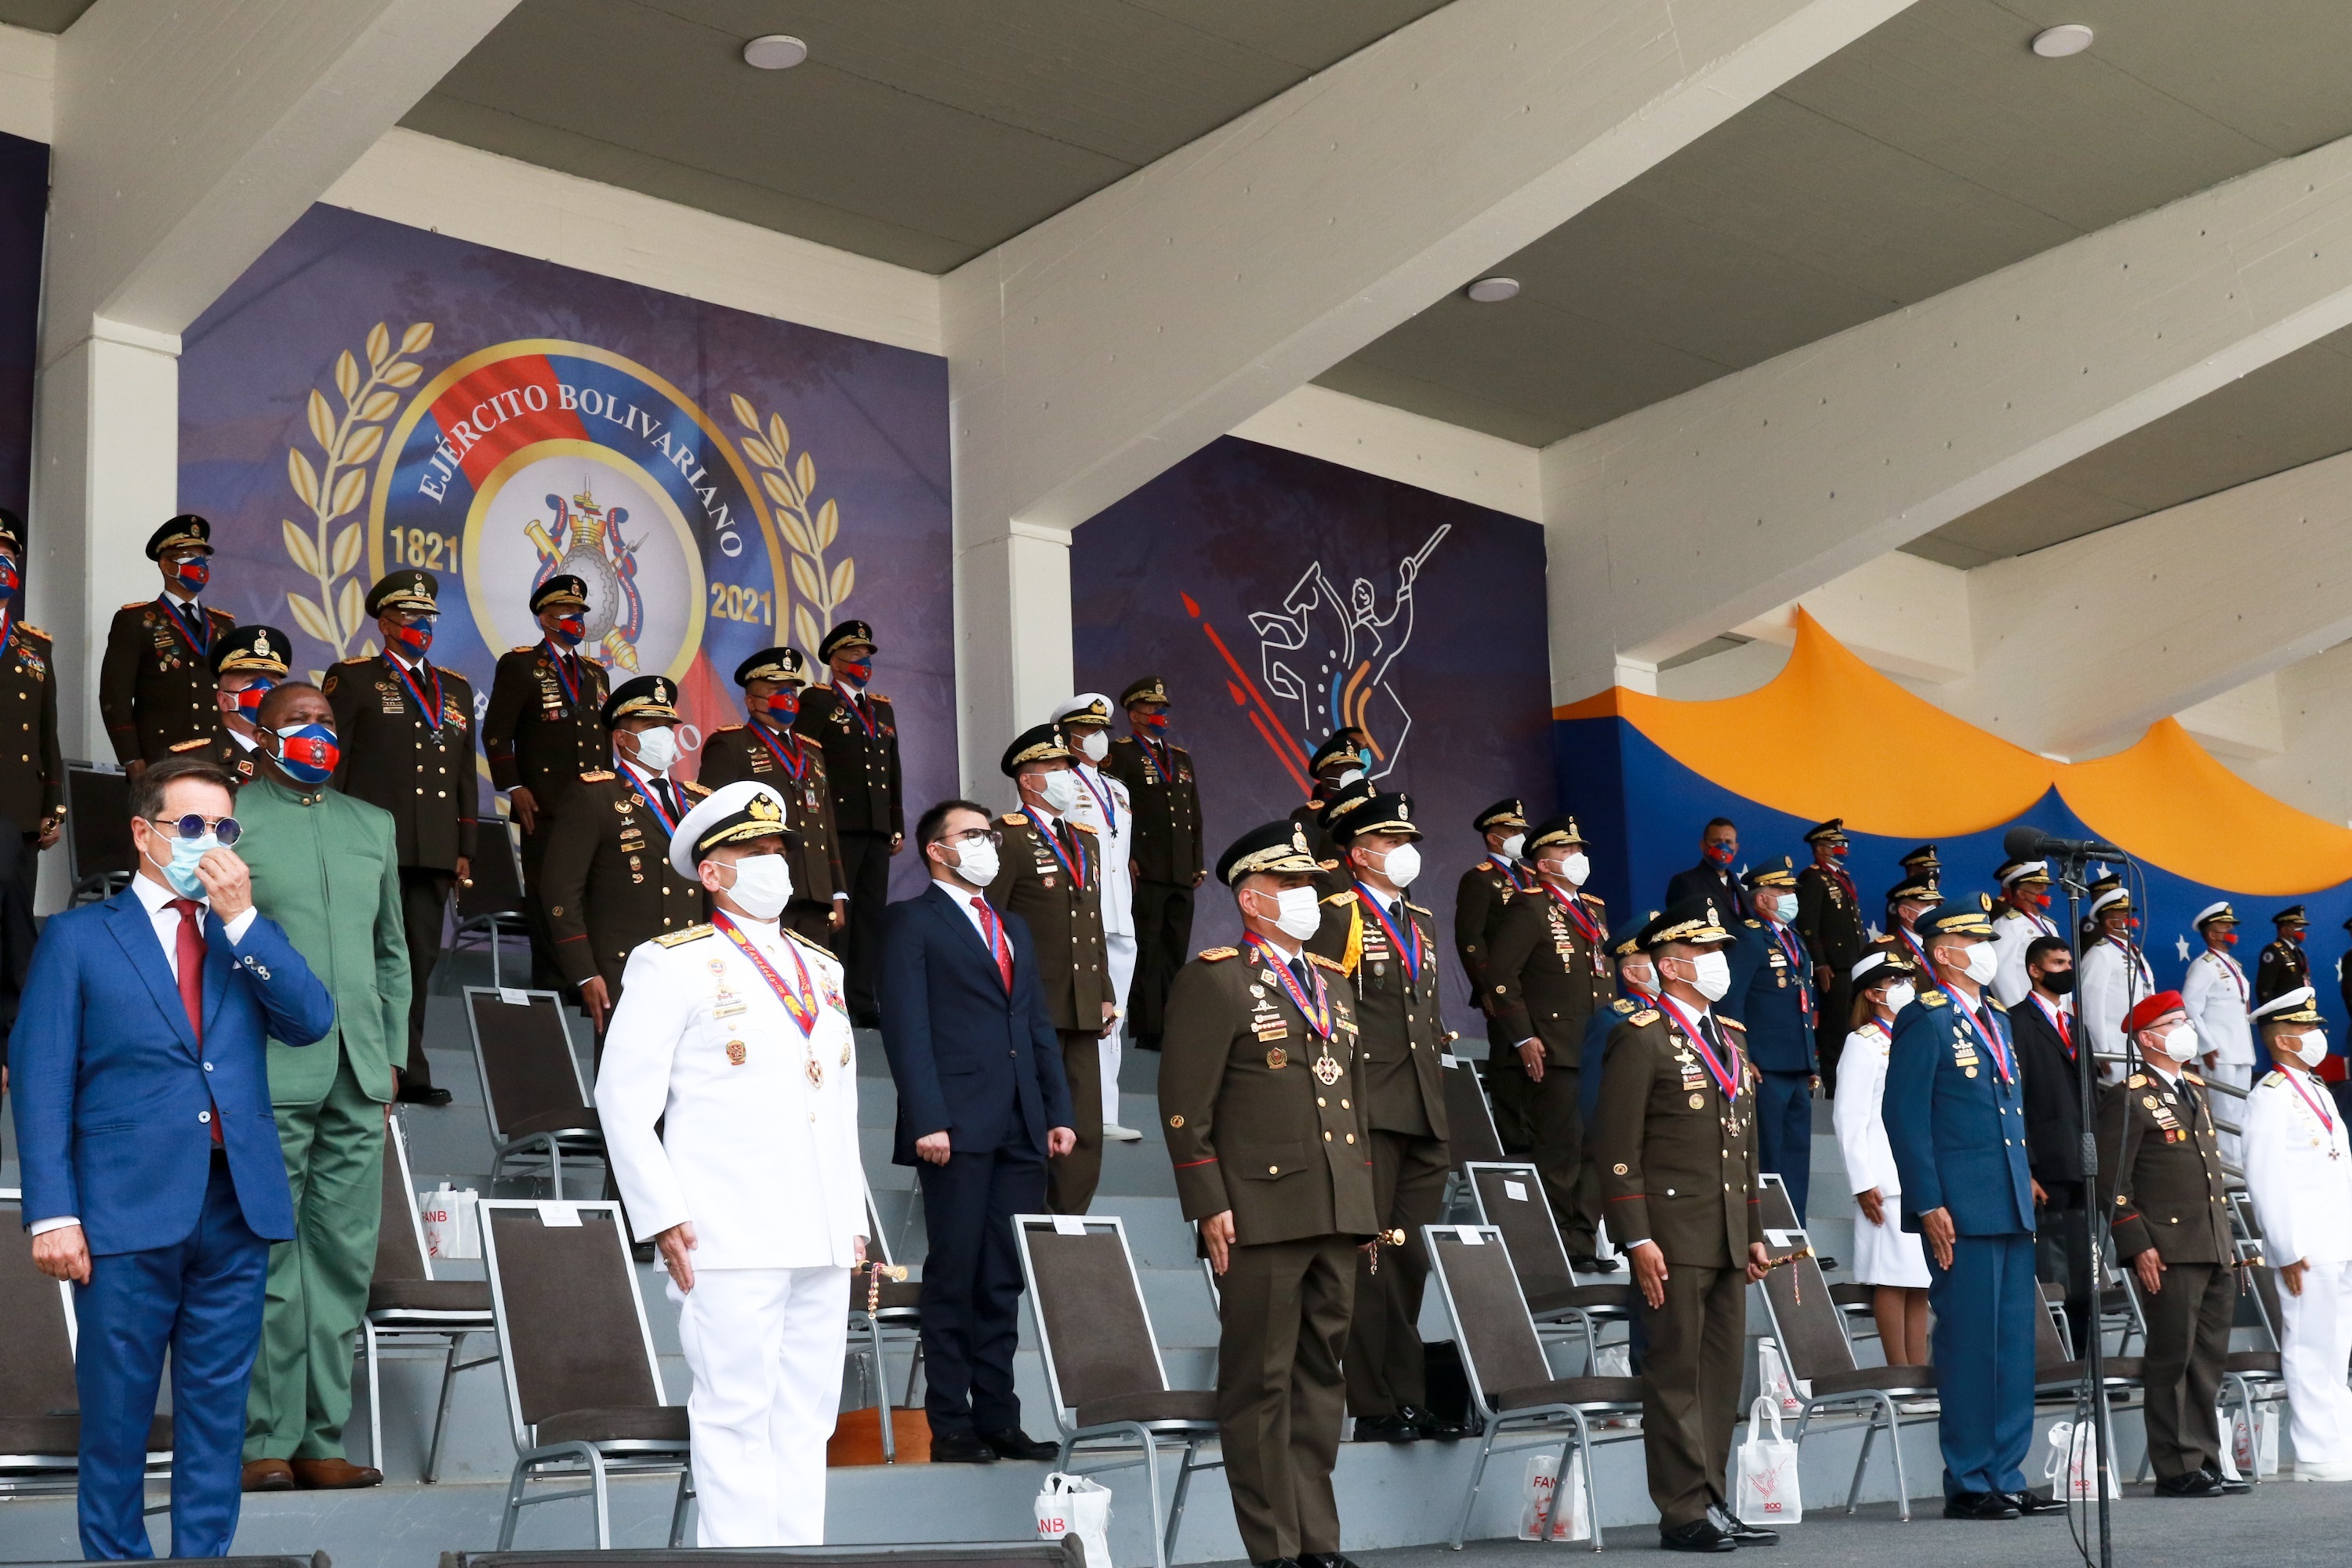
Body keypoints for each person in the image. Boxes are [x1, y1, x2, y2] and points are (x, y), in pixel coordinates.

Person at [11, 757, 334, 1558]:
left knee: (218, 1415)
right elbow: (42, 1079)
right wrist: (52, 1211)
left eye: (224, 828)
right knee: (117, 1415)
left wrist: (243, 920)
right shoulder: (79, 936)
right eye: (191, 827)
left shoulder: (245, 932)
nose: (210, 843)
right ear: (143, 833)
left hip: (235, 1204)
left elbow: (311, 1019)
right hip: (123, 1209)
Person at [596, 781, 868, 1544]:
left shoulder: (822, 968)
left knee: (808, 1416)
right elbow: (622, 1098)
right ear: (711, 872)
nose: (773, 864)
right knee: (736, 1412)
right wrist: (661, 1213)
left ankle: (799, 1554)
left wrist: (851, 1219)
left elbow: (837, 1106)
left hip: (817, 1228)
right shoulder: (671, 962)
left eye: (779, 849)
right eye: (753, 852)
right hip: (726, 1225)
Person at [1160, 820, 1375, 1568]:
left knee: (1321, 1382)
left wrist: (1362, 1204)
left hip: (1335, 1207)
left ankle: (1319, 1541)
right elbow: (1188, 1105)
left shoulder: (1335, 983)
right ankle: (1275, 1549)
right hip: (1258, 1208)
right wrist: (1206, 1202)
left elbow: (1349, 1102)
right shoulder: (1216, 977)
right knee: (1260, 1382)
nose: (1309, 897)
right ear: (1253, 899)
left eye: (1311, 884)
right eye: (1291, 886)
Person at [235, 683, 408, 1492]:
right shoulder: (231, 818)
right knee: (270, 1254)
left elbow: (393, 954)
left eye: (328, 721)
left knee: (342, 1258)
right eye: (300, 721)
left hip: (360, 1070)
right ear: (261, 734)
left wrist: (394, 1053)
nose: (317, 732)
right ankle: (261, 1438)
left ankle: (319, 1438)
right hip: (268, 1066)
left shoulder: (372, 824)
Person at [878, 798, 1076, 1465]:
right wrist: (927, 1117)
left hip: (1021, 1123)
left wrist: (1058, 1113)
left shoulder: (1011, 923)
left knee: (1003, 1277)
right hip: (956, 1127)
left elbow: (1036, 1026)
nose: (988, 843)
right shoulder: (912, 921)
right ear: (937, 849)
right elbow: (908, 1029)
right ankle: (951, 1422)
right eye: (972, 834)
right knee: (956, 1272)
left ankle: (1000, 1417)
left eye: (990, 833)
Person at [1591, 897, 1773, 1553]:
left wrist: (1753, 1228)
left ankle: (1715, 1499)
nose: (1719, 963)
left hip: (1724, 1232)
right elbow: (1616, 1145)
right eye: (1705, 953)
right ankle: (1682, 1509)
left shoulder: (1730, 1037)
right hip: (1670, 1234)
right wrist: (1635, 1237)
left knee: (1720, 1376)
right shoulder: (1640, 1036)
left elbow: (1744, 1147)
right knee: (1674, 1375)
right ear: (1670, 965)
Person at [1884, 895, 2055, 1522]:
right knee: (1970, 1344)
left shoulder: (1998, 1018)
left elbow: (2007, 1116)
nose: (1988, 950)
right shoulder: (1924, 1018)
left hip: (2007, 1200)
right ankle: (1968, 1477)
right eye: (1975, 941)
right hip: (1960, 1206)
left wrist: (2025, 1180)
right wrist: (1928, 1201)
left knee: (2012, 1345)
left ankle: (2006, 1471)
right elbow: (1904, 1118)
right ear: (1944, 952)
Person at [1306, 790, 1460, 1442]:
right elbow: (1323, 1016)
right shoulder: (1336, 913)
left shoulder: (1418, 919)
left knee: (1409, 1261)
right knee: (1369, 1261)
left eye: (1408, 843)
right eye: (1392, 843)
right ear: (1358, 851)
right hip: (1370, 1108)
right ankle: (1372, 1403)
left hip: (1424, 1108)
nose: (1405, 854)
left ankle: (1408, 1395)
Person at [323, 570, 480, 1105]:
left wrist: (465, 848)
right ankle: (357, 1063)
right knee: (364, 956)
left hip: (432, 850)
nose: (423, 625)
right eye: (412, 617)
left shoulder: (455, 688)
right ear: (385, 623)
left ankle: (409, 1070)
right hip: (367, 846)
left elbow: (463, 775)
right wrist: (328, 830)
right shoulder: (355, 679)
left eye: (428, 616)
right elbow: (335, 765)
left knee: (417, 960)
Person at [2100, 990, 2241, 1497]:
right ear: (2148, 1037)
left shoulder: (2194, 1089)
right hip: (2168, 1247)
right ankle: (2177, 1466)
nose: (2186, 1029)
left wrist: (2226, 1242)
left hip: (2211, 1242)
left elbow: (2207, 1176)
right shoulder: (2129, 1096)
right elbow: (2113, 1182)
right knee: (2172, 1357)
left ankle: (2206, 1458)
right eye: (2175, 1022)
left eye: (2185, 1019)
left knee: (2208, 1361)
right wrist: (2138, 1243)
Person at [986, 723, 1113, 1214]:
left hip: (1082, 1003)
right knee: (1033, 1114)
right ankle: (1026, 1216)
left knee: (1083, 1121)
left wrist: (1103, 991)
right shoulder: (1007, 838)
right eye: (1058, 769)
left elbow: (1092, 923)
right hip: (1031, 1003)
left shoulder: (1086, 840)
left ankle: (1071, 1220)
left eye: (1069, 768)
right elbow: (990, 924)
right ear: (1029, 780)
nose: (1069, 777)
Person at [539, 677, 710, 1034]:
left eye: (667, 726)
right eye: (650, 726)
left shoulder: (697, 802)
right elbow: (560, 892)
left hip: (693, 967)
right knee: (626, 1083)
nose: (663, 735)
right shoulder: (593, 796)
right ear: (621, 738)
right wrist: (585, 972)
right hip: (624, 969)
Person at [1485, 815, 1613, 1265]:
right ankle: (1552, 1254)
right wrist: (1523, 1037)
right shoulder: (1530, 906)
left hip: (1598, 1050)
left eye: (1580, 850)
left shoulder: (1593, 908)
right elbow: (1501, 978)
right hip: (1555, 1049)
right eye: (1566, 851)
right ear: (1542, 863)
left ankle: (1580, 1246)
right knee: (1559, 1158)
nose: (1578, 858)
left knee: (1594, 1157)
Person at [2241, 988, 2352, 1483]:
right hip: (2304, 1245)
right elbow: (2265, 1178)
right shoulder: (2269, 1096)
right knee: (2308, 1346)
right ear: (2283, 1039)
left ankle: (2339, 1441)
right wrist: (2285, 1248)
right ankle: (2313, 1452)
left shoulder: (2319, 1089)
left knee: (2337, 1347)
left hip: (2339, 1238)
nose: (2317, 1037)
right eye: (2308, 1030)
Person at [481, 574, 610, 989]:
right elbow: (498, 733)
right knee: (550, 895)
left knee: (592, 894)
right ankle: (553, 985)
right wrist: (514, 786)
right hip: (546, 804)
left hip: (592, 804)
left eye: (580, 613)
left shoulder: (596, 673)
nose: (577, 621)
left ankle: (590, 981)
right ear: (545, 619)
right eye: (568, 614)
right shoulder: (520, 665)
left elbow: (603, 741)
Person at [698, 647, 847, 949]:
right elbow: (712, 825)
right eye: (777, 691)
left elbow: (826, 825)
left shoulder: (813, 751)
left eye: (792, 690)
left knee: (813, 981)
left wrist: (837, 891)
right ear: (752, 702)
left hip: (815, 892)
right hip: (757, 888)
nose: (788, 698)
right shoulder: (731, 745)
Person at [793, 620, 901, 1025]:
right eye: (854, 656)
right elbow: (805, 763)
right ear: (834, 661)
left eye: (866, 656)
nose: (863, 663)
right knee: (839, 916)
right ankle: (832, 996)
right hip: (836, 826)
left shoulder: (882, 707)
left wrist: (896, 821)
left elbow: (893, 768)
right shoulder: (818, 702)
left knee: (871, 916)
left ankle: (863, 999)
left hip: (875, 827)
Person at [1831, 950, 1929, 1367]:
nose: (1906, 988)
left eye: (1909, 979)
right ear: (1873, 993)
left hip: (1917, 1176)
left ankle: (1919, 1370)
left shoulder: (1914, 1037)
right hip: (1884, 1180)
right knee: (1891, 1279)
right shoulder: (1864, 1042)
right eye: (1895, 982)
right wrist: (1862, 1181)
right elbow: (1848, 1116)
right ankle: (1899, 1371)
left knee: (1921, 1281)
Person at [1054, 693, 1141, 1142]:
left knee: (1114, 1016)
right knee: (1080, 1012)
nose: (1098, 738)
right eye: (1089, 731)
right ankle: (1076, 1109)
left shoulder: (1119, 790)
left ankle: (1107, 1111)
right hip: (1081, 913)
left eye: (1100, 729)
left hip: (1119, 914)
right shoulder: (1060, 784)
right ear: (1070, 737)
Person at [1104, 675, 1203, 1051]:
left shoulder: (1180, 757)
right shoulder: (1122, 753)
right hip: (1144, 866)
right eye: (1151, 707)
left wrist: (1196, 862)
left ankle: (1173, 1023)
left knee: (1176, 947)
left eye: (1163, 708)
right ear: (1133, 713)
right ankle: (1148, 1028)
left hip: (1179, 869)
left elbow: (1193, 813)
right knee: (1147, 948)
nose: (1160, 713)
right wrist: (1123, 856)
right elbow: (1114, 810)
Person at [99, 514, 238, 772]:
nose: (200, 564)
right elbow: (114, 698)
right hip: (161, 759)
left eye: (203, 557)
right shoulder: (136, 621)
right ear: (166, 564)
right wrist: (131, 758)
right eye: (188, 555)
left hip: (219, 760)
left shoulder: (223, 625)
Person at [2013, 937, 2092, 1356]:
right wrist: (2025, 1168)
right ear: (2035, 969)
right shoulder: (2015, 1022)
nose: (2067, 969)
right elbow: (2013, 1101)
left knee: (2086, 1271)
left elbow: (2090, 1095)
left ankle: (2085, 1364)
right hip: (2046, 1166)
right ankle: (2057, 1361)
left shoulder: (2077, 1025)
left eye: (2069, 962)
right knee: (2053, 1270)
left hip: (2084, 1164)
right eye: (2058, 962)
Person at [1727, 856, 1818, 1219]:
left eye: (1791, 890)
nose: (1790, 896)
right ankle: (1767, 1233)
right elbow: (1731, 1003)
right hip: (1763, 1065)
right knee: (1769, 1156)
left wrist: (1810, 1059)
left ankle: (1795, 1234)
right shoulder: (1748, 938)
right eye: (1782, 890)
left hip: (1797, 1065)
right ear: (1762, 898)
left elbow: (1802, 1002)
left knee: (1797, 1156)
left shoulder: (1794, 939)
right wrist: (1740, 1055)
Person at [1455, 797, 1537, 1153]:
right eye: (1512, 831)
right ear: (1493, 837)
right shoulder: (1479, 879)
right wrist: (1487, 988)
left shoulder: (1532, 878)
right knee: (1508, 1061)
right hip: (1502, 988)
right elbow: (1471, 939)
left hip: (1535, 988)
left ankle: (1535, 1134)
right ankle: (1513, 1141)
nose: (1520, 836)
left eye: (1522, 830)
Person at [0, 509, 61, 902]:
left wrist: (52, 809)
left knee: (18, 932)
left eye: (9, 556)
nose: (3, 565)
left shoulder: (34, 645)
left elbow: (45, 732)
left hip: (19, 808)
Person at [2180, 902, 2254, 1163]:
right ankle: (2225, 1168)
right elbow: (2189, 1007)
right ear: (2212, 934)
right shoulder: (2205, 965)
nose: (2231, 930)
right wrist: (2206, 1045)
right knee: (2223, 1113)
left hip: (2240, 1049)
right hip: (2219, 1051)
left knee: (2241, 1110)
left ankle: (2239, 1166)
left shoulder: (2232, 964)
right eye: (2225, 927)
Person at [1793, 818, 1864, 1091]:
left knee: (1849, 1027)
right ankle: (1834, 1089)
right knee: (1834, 1031)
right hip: (1834, 967)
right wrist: (1820, 963)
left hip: (1851, 964)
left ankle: (1849, 1085)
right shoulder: (1812, 877)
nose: (1842, 848)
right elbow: (1808, 924)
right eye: (1837, 844)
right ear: (1821, 849)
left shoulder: (1841, 877)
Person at [189, 625, 289, 783]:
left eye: (272, 683)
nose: (265, 691)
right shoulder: (194, 763)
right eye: (250, 682)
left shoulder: (299, 758)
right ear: (223, 700)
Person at [2076, 885, 2154, 1069]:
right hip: (2114, 1047)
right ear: (2110, 923)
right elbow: (2090, 1007)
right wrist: (2101, 1050)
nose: (2132, 921)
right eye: (2125, 916)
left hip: (2139, 1044)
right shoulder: (2100, 954)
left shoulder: (2135, 951)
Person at [1987, 859, 2060, 1007]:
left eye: (2044, 886)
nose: (2044, 890)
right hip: (2028, 1011)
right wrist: (2017, 1013)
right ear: (2021, 893)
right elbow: (2001, 974)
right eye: (2037, 887)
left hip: (2053, 1011)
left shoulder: (2049, 925)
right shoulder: (2007, 924)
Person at [1662, 817, 1745, 919]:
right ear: (1703, 845)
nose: (1723, 848)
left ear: (1736, 849)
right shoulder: (1684, 882)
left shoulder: (1740, 890)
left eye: (1728, 842)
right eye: (1716, 841)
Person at [2256, 904, 2312, 1007]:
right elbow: (2265, 987)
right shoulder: (2273, 951)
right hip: (2283, 1012)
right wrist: (2271, 1015)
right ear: (2284, 930)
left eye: (2302, 927)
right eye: (2298, 927)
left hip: (2301, 1009)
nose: (2302, 930)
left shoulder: (2299, 952)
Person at [1879, 876, 1939, 971]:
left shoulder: (1940, 944)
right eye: (1926, 905)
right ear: (1904, 912)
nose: (1932, 910)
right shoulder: (1885, 950)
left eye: (1934, 905)